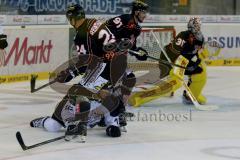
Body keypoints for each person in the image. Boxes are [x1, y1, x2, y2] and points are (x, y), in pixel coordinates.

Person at [29, 3, 148, 141]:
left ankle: (60, 121)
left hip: (103, 68)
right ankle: (113, 120)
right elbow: (112, 43)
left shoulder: (81, 35)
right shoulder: (95, 22)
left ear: (72, 19)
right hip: (117, 64)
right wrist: (131, 49)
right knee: (108, 91)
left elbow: (86, 62)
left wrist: (69, 73)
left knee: (78, 94)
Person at [128, 17, 207, 107]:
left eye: (199, 25)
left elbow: (196, 53)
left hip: (183, 61)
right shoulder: (183, 35)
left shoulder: (200, 38)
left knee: (200, 73)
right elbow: (176, 52)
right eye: (196, 25)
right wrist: (189, 63)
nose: (198, 27)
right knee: (175, 82)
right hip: (169, 58)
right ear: (191, 26)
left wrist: (194, 62)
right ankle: (138, 97)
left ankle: (190, 96)